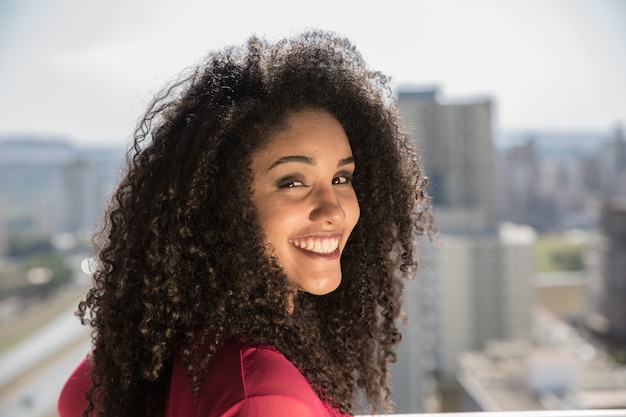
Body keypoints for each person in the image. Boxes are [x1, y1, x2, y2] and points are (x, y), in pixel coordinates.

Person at [58, 30, 434, 417]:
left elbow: (75, 398)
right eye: (293, 182)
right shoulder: (264, 398)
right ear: (221, 204)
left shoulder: (156, 348)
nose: (334, 210)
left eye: (341, 179)